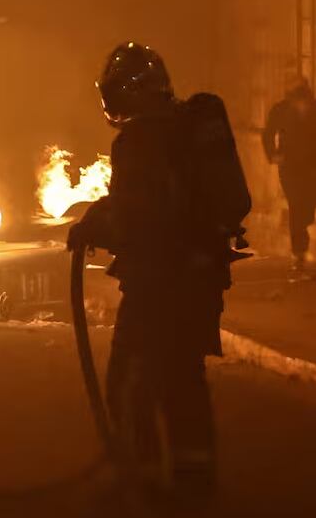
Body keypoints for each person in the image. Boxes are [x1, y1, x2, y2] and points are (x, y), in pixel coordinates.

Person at [68, 42, 250, 503]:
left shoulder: (137, 142)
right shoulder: (189, 128)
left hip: (158, 283)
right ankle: (194, 485)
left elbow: (138, 218)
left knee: (130, 381)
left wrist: (98, 225)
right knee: (182, 380)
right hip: (202, 280)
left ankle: (140, 481)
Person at [262, 73, 316, 271]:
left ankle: (300, 250)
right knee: (297, 205)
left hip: (311, 166)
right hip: (291, 168)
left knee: (306, 206)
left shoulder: (313, 109)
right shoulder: (281, 110)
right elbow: (268, 133)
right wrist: (274, 154)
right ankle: (299, 252)